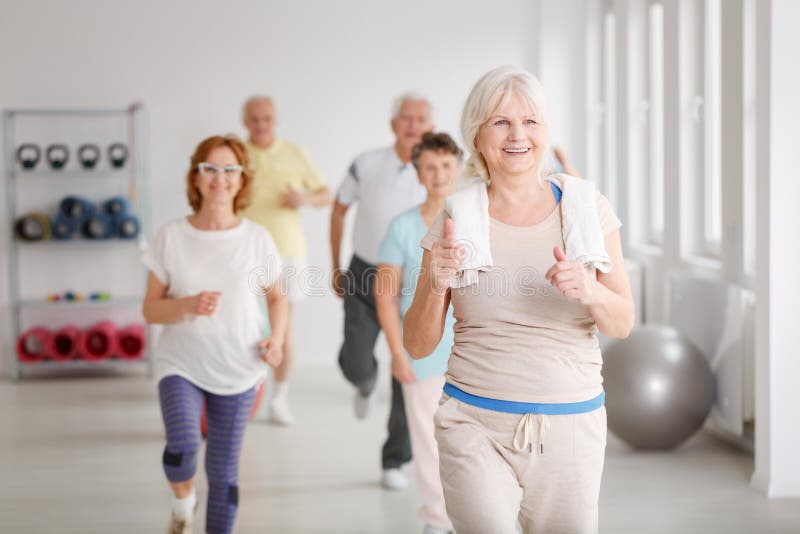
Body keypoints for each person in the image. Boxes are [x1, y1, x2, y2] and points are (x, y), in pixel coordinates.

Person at [403, 66, 635, 533]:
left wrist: (588, 290)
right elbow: (418, 344)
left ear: (545, 131)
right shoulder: (458, 215)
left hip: (571, 424)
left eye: (530, 121)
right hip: (474, 422)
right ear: (478, 134)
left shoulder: (586, 209)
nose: (517, 135)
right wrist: (436, 282)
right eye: (501, 122)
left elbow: (623, 322)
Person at [142, 135, 288, 534]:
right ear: (196, 176)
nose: (220, 178)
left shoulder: (257, 239)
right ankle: (182, 499)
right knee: (184, 447)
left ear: (241, 180)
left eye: (230, 170)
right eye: (210, 168)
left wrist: (276, 340)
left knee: (223, 473)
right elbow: (150, 308)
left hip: (240, 368)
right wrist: (187, 305)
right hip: (181, 363)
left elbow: (277, 299)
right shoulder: (170, 236)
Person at [330, 92, 433, 489]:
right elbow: (338, 208)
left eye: (421, 119)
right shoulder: (366, 164)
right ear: (393, 125)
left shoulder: (437, 170)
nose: (413, 125)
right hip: (363, 271)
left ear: (430, 126)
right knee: (355, 360)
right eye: (406, 118)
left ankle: (395, 459)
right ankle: (363, 380)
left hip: (413, 280)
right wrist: (334, 264)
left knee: (407, 370)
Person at [375, 132, 460, 534]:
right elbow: (386, 295)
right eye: (430, 166)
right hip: (423, 353)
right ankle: (438, 520)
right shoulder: (403, 227)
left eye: (446, 165)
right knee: (429, 444)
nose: (439, 174)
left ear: (458, 167)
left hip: (475, 351)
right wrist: (396, 352)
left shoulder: (476, 219)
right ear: (418, 173)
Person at [241, 95, 331, 425]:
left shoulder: (295, 153)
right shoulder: (237, 154)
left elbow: (326, 194)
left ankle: (279, 399)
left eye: (266, 118)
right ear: (245, 121)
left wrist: (304, 198)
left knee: (283, 329)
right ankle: (245, 395)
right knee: (244, 325)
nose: (261, 124)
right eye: (254, 119)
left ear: (275, 119)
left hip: (288, 251)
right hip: (246, 251)